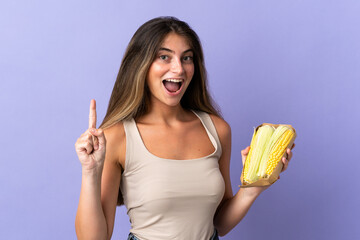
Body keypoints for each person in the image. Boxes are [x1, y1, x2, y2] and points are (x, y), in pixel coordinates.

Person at [74, 16, 295, 240]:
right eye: (164, 57)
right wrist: (90, 173)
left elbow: (218, 222)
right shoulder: (118, 137)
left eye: (186, 58)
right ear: (140, 65)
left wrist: (252, 189)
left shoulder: (217, 130)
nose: (178, 68)